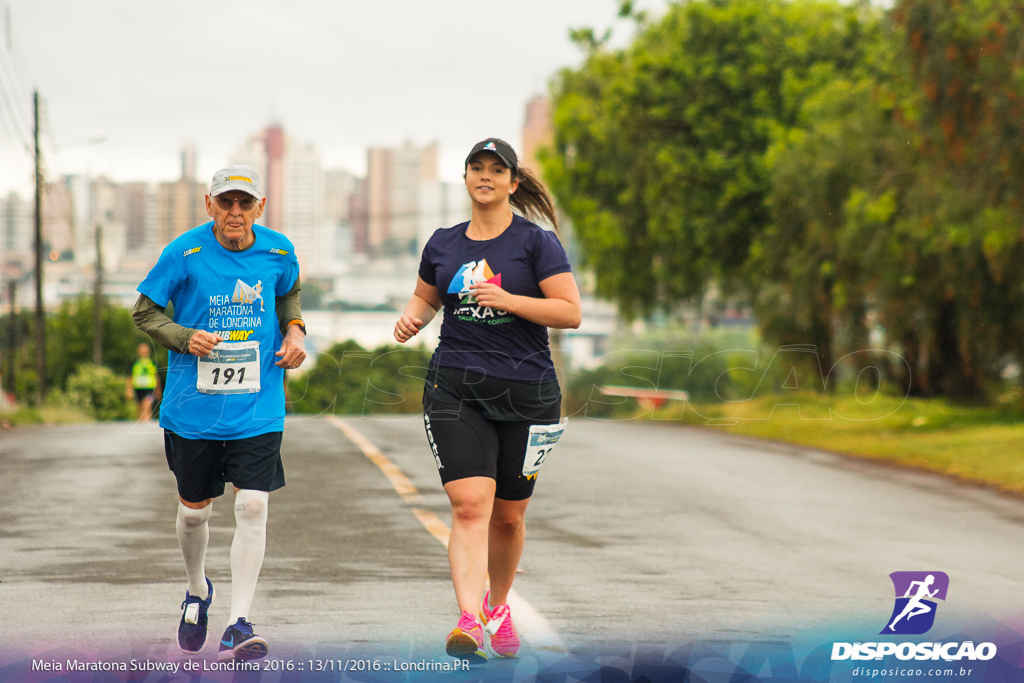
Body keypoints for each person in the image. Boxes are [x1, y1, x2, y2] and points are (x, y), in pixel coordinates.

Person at [394, 139, 581, 661]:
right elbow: (426, 297)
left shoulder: (535, 244)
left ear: (512, 183)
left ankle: (498, 606)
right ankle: (468, 619)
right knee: (470, 506)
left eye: (496, 170)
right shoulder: (444, 243)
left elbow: (569, 312)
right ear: (466, 178)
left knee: (508, 517)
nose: (485, 176)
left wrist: (509, 300)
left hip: (529, 393)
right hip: (456, 387)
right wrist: (412, 318)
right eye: (476, 168)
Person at [132, 165, 306, 661]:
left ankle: (239, 622)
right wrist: (185, 338)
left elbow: (288, 293)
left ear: (260, 207)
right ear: (209, 205)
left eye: (244, 203)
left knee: (253, 505)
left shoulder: (278, 249)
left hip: (259, 404)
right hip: (193, 411)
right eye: (225, 203)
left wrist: (295, 331)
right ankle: (198, 590)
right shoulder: (183, 253)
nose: (235, 212)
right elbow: (144, 312)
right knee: (194, 513)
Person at [127, 342, 159, 421]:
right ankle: (142, 425)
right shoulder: (134, 363)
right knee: (140, 408)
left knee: (147, 406)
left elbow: (157, 377)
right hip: (138, 388)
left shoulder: (152, 363)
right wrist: (129, 390)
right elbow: (130, 377)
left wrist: (158, 390)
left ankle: (147, 422)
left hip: (149, 388)